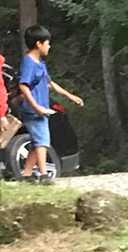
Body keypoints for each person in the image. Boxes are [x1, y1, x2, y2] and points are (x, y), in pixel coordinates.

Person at [14, 25, 84, 183]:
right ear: (38, 44)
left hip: (42, 109)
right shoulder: (29, 62)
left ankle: (26, 174)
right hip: (34, 110)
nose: (49, 46)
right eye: (47, 43)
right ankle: (44, 175)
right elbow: (23, 86)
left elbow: (50, 83)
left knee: (38, 141)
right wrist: (36, 107)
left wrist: (70, 96)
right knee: (43, 141)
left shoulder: (40, 63)